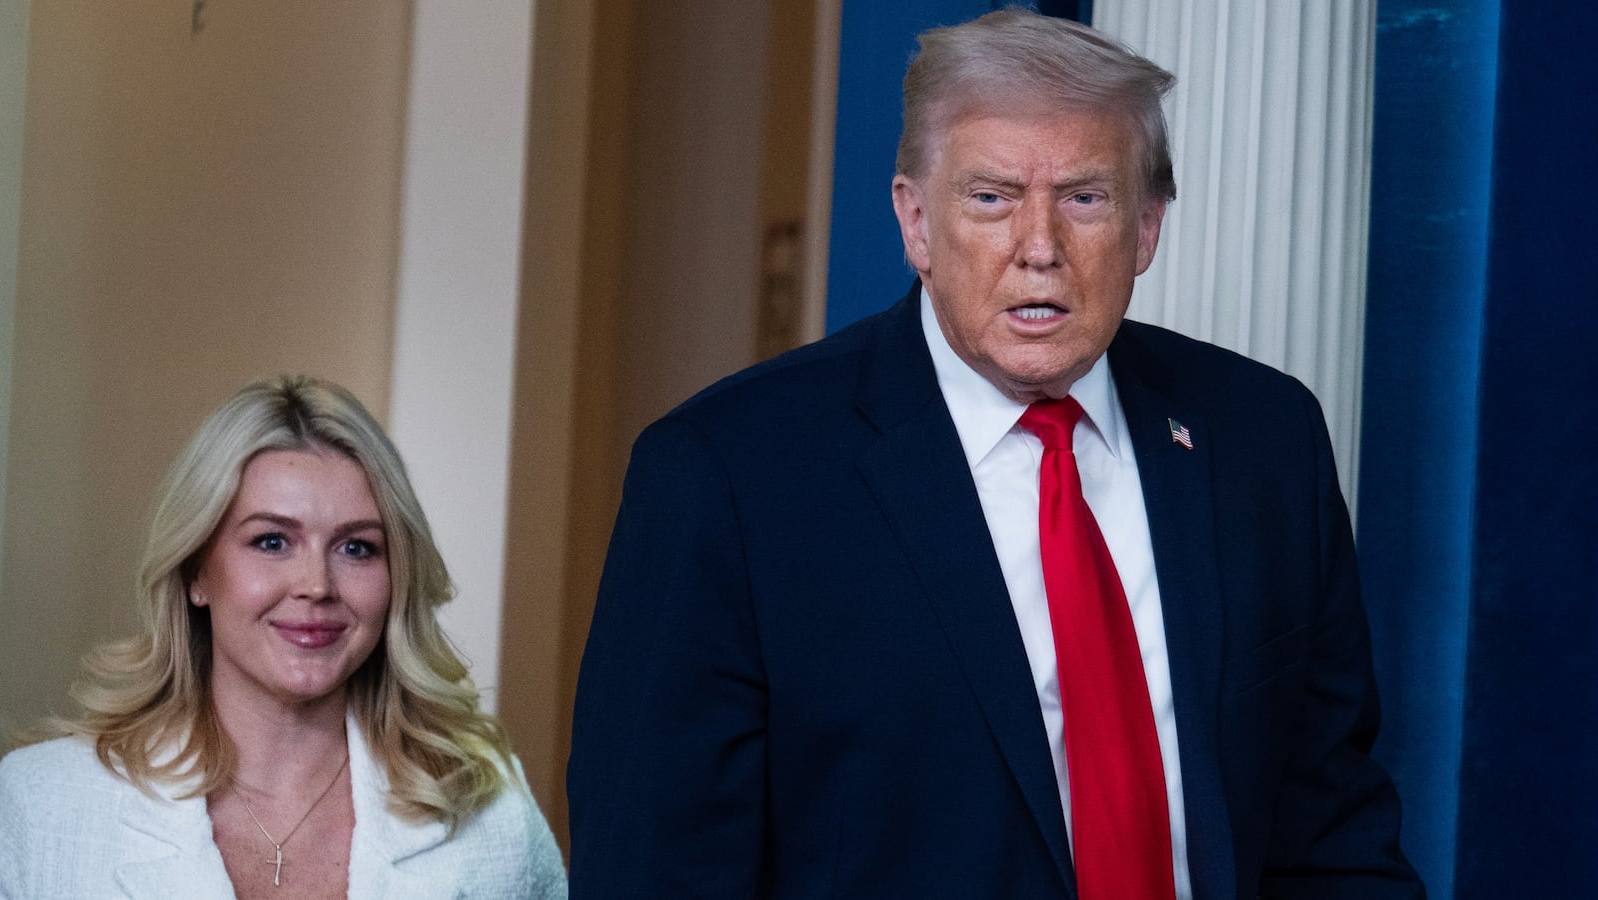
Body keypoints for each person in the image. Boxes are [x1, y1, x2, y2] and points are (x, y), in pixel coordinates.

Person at [568, 9, 1421, 899]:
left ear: (1147, 227)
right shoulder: (727, 477)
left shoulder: (1263, 440)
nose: (1039, 248)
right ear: (916, 223)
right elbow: (656, 866)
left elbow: (1332, 834)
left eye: (1085, 197)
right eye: (992, 197)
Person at [0, 375, 568, 899]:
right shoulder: (42, 804)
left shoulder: (488, 811)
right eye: (272, 541)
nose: (316, 585)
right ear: (196, 570)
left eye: (357, 547)